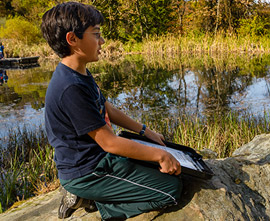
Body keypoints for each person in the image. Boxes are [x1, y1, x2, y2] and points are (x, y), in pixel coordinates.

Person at [40, 2, 182, 220]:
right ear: (72, 39)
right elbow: (109, 143)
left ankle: (89, 195)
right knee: (170, 190)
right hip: (87, 172)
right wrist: (160, 155)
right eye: (96, 34)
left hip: (99, 159)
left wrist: (145, 131)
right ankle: (96, 203)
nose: (102, 41)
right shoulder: (69, 87)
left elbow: (105, 107)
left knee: (169, 171)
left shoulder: (79, 73)